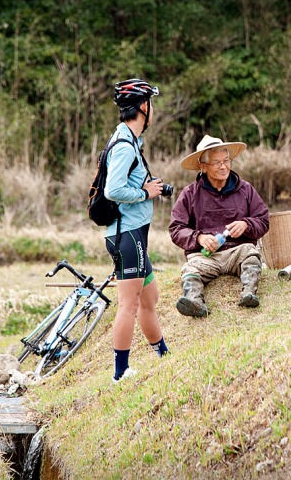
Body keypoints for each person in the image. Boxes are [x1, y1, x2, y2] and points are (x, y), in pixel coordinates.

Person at [105, 78, 169, 383]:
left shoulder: (129, 141)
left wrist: (146, 188)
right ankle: (120, 372)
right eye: (151, 104)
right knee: (128, 304)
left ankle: (164, 355)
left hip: (134, 234)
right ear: (143, 107)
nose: (152, 109)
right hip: (126, 235)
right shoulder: (124, 148)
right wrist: (146, 194)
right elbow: (112, 189)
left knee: (149, 298)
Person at [169, 135, 270, 317]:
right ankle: (195, 302)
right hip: (205, 256)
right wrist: (199, 237)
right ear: (203, 166)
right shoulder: (190, 194)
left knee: (251, 255)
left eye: (226, 161)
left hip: (237, 251)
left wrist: (246, 224)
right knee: (190, 270)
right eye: (216, 162)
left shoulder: (245, 189)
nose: (223, 166)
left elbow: (263, 220)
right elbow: (176, 228)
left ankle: (249, 292)